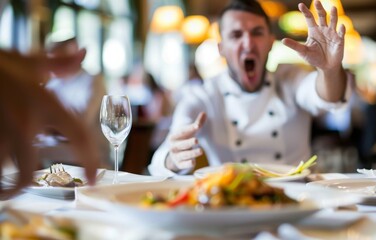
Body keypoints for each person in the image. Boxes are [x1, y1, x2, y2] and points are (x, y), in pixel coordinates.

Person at [149, 0, 350, 176]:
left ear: (270, 42)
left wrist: (329, 71)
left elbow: (327, 97)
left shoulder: (290, 79)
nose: (248, 43)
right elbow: (168, 149)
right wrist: (173, 158)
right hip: (233, 201)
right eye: (236, 35)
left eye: (257, 33)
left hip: (297, 197)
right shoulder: (204, 95)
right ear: (221, 48)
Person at [0, 49, 99, 198]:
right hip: (54, 160)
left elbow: (83, 121)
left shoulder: (92, 81)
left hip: (82, 161)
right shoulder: (54, 84)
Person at [38, 37, 109, 166]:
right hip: (59, 155)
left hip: (91, 157)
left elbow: (80, 123)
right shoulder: (53, 85)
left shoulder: (92, 81)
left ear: (79, 56)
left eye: (58, 60)